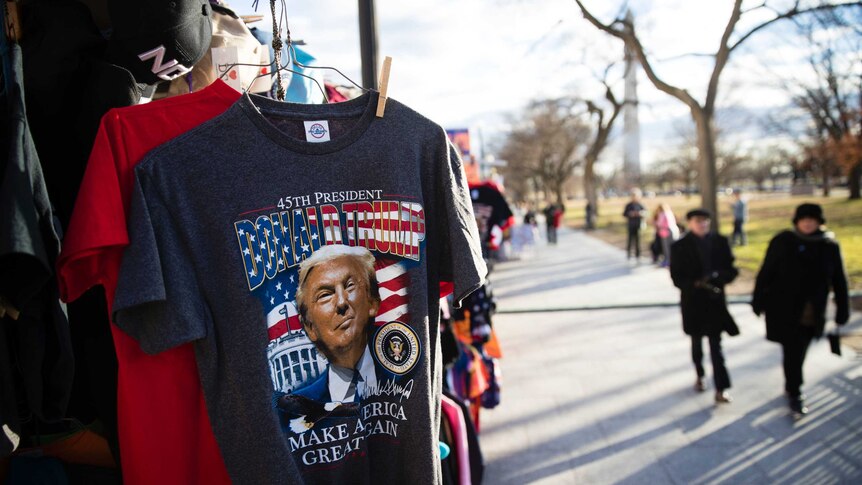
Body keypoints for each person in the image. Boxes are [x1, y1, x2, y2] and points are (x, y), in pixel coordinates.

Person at [751, 203, 850, 416]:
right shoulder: (783, 241)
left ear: (819, 222)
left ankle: (792, 385)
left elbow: (839, 280)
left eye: (812, 219)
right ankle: (795, 391)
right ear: (796, 221)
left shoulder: (829, 246)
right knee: (792, 349)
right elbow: (766, 271)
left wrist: (843, 310)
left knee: (800, 350)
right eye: (804, 219)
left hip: (811, 311)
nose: (807, 223)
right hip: (783, 307)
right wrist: (757, 300)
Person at [291, 244, 382, 403]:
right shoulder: (294, 410)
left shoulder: (411, 377)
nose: (341, 302)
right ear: (309, 327)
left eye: (350, 285)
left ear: (372, 301)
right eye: (325, 295)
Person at [670, 209, 740, 404]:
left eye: (704, 221)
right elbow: (677, 277)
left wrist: (718, 278)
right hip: (693, 302)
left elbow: (731, 269)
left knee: (716, 345)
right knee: (696, 342)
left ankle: (721, 387)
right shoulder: (680, 246)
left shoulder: (720, 241)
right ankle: (700, 374)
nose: (701, 224)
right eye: (697, 221)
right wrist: (694, 284)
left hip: (715, 301)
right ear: (690, 223)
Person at [654, 203, 680, 267]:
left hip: (665, 231)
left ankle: (668, 261)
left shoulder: (662, 214)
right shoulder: (670, 213)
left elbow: (659, 223)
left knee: (666, 248)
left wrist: (655, 223)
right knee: (672, 247)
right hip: (674, 230)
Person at [622, 189, 646, 260]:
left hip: (638, 224)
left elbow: (645, 212)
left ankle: (638, 254)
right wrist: (630, 214)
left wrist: (640, 214)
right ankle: (629, 253)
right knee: (630, 240)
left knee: (638, 240)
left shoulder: (640, 204)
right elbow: (624, 214)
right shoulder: (628, 205)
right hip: (631, 225)